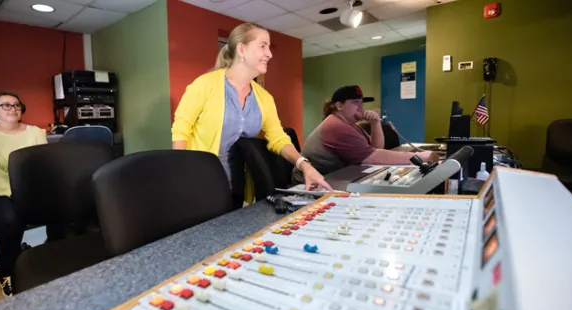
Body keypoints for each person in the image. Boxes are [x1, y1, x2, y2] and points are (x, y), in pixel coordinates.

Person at [171, 22, 332, 208]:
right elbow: (181, 128)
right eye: (263, 46)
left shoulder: (264, 98)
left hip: (236, 185)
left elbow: (278, 138)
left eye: (269, 47)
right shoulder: (204, 85)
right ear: (241, 49)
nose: (269, 54)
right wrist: (180, 175)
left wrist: (304, 164)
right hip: (199, 183)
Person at [0, 92, 48, 297]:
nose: (12, 108)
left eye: (16, 105)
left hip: (31, 186)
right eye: (6, 105)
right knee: (10, 218)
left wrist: (35, 191)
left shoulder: (36, 132)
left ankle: (52, 256)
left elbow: (41, 165)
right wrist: (18, 195)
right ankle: (7, 273)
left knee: (59, 205)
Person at [293, 85, 437, 181]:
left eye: (362, 103)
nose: (361, 107)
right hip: (308, 183)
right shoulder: (336, 126)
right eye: (355, 103)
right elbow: (373, 157)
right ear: (339, 106)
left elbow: (376, 149)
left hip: (333, 177)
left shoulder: (351, 125)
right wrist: (419, 156)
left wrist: (375, 123)